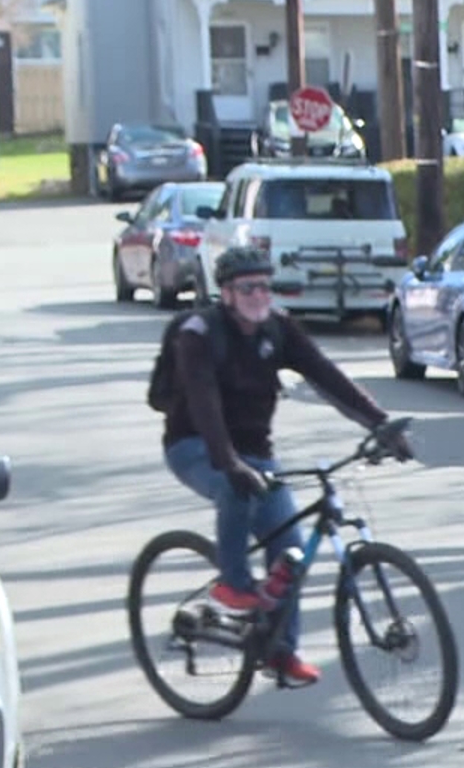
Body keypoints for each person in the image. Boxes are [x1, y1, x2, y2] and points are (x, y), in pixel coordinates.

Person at [162, 246, 410, 687]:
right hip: (196, 445)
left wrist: (381, 424)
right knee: (232, 487)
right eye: (247, 287)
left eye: (265, 285)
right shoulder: (200, 334)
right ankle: (234, 584)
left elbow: (327, 376)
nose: (259, 295)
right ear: (226, 293)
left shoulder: (278, 330)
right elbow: (204, 402)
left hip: (256, 452)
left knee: (291, 549)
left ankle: (281, 651)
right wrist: (229, 462)